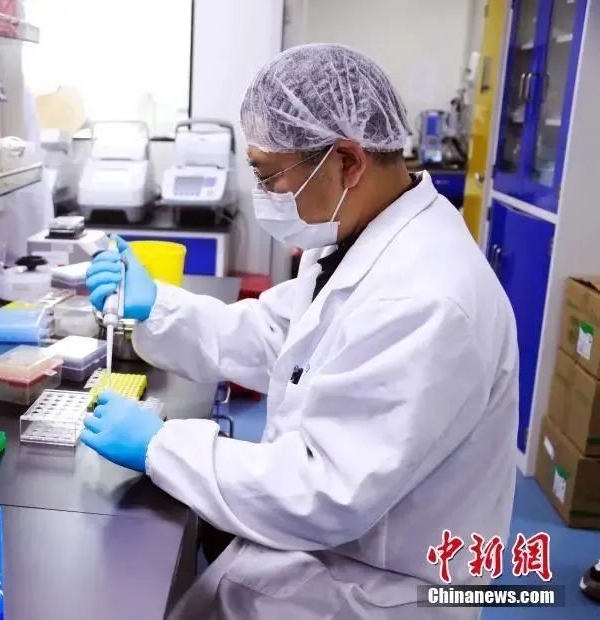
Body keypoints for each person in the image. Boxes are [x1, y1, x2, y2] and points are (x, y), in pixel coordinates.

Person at [83, 44, 518, 619]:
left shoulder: (425, 300)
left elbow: (326, 492)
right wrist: (158, 308)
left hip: (374, 588)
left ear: (348, 162)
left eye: (269, 175)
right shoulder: (356, 233)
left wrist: (160, 446)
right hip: (326, 552)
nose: (264, 194)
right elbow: (279, 336)